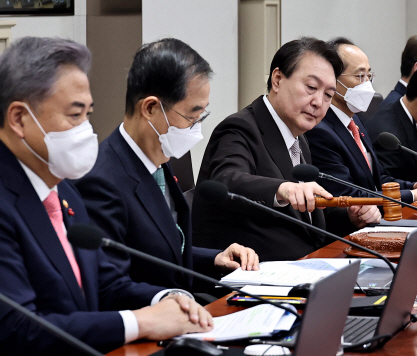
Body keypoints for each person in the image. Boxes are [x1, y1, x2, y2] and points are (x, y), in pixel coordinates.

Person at [0, 36, 212, 355]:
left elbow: (107, 283)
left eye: (87, 114)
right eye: (74, 115)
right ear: (18, 119)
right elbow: (19, 329)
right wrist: (139, 322)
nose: (85, 129)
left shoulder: (64, 190)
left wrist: (165, 299)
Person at [75, 38, 259, 297]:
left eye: (201, 116)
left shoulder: (160, 156)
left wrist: (215, 257)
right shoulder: (101, 180)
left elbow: (163, 248)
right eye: (191, 116)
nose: (196, 128)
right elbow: (109, 283)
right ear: (151, 108)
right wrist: (170, 301)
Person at [191, 37, 380, 261]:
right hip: (251, 276)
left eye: (328, 95)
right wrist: (283, 189)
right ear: (278, 79)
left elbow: (307, 224)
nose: (319, 102)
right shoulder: (240, 127)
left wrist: (350, 216)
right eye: (311, 87)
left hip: (305, 268)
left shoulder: (299, 137)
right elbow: (227, 179)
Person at [305, 37, 417, 205]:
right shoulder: (320, 131)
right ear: (331, 79)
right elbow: (346, 194)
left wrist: (414, 186)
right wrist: (414, 194)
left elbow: (376, 179)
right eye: (360, 75)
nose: (367, 84)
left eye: (369, 75)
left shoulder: (356, 121)